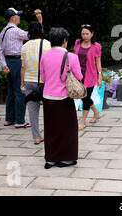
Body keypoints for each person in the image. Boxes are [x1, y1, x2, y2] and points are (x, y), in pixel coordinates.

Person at [40, 27, 82, 169]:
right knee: (68, 129)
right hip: (64, 98)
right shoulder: (72, 57)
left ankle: (51, 159)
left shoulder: (44, 55)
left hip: (48, 96)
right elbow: (79, 77)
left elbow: (43, 77)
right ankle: (66, 158)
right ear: (65, 41)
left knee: (51, 128)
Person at [0, 7, 30, 128]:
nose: (19, 17)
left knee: (10, 92)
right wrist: (40, 22)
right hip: (17, 62)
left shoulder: (3, 31)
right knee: (20, 91)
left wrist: (4, 65)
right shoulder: (16, 31)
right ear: (13, 18)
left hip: (8, 62)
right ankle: (19, 120)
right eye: (18, 15)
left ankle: (9, 119)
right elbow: (31, 35)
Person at [21, 21, 51, 144]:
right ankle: (50, 134)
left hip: (29, 81)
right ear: (41, 30)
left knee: (32, 111)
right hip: (45, 82)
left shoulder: (24, 46)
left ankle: (36, 137)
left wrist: (22, 83)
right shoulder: (47, 44)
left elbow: (23, 66)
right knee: (49, 110)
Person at [74, 24, 103, 130]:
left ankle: (83, 121)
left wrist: (100, 77)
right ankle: (96, 112)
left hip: (90, 75)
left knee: (85, 97)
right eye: (83, 34)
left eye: (87, 34)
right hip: (78, 75)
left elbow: (98, 62)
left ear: (92, 34)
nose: (84, 36)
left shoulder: (96, 46)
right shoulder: (77, 42)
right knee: (83, 96)